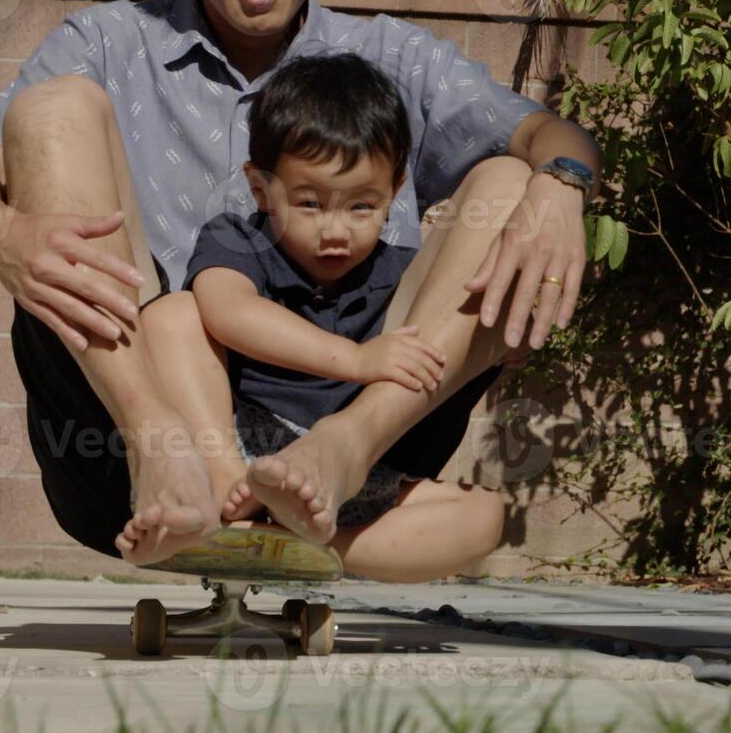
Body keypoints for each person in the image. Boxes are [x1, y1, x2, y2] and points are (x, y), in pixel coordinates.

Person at [0, 0, 602, 565]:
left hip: (351, 432)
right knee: (51, 109)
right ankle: (172, 458)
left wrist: (560, 187)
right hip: (133, 428)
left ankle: (331, 465)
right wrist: (4, 235)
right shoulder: (108, 43)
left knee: (513, 181)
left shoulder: (392, 56)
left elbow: (555, 136)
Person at [135, 53, 499, 581]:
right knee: (172, 314)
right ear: (260, 188)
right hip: (245, 448)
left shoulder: (404, 272)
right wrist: (354, 359)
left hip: (349, 478)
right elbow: (226, 309)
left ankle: (303, 550)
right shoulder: (241, 239)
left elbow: (454, 335)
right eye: (310, 204)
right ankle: (224, 488)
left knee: (486, 518)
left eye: (361, 207)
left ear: (394, 191)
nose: (336, 231)